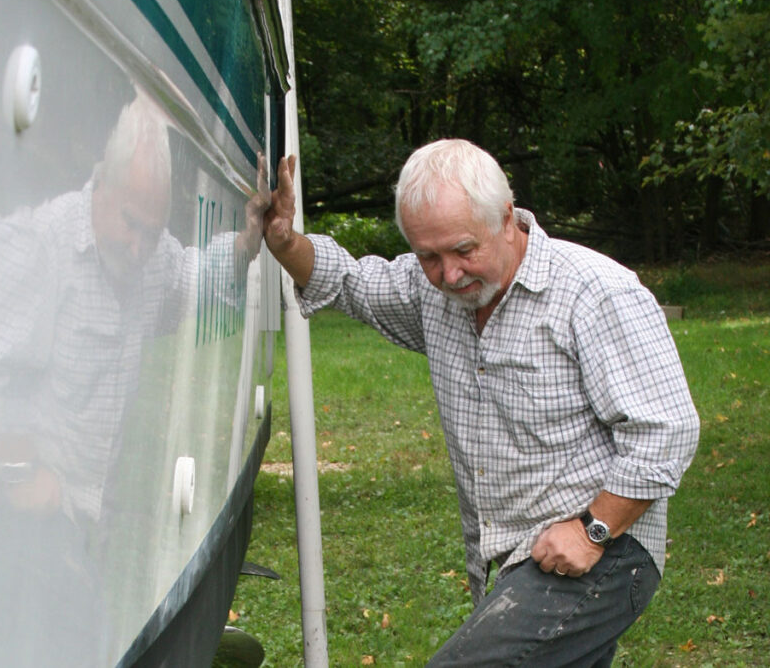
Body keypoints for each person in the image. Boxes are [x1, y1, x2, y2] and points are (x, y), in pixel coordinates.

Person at [263, 139, 699, 666]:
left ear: (507, 218)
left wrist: (592, 530)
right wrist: (286, 243)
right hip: (517, 559)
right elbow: (354, 283)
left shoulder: (594, 291)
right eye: (428, 256)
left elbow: (667, 429)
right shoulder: (437, 294)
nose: (449, 274)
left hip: (606, 552)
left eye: (464, 250)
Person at [0, 88, 264, 666]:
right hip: (25, 515)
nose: (140, 245)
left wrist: (246, 244)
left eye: (153, 229)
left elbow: (194, 283)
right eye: (130, 224)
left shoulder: (149, 256)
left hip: (83, 517)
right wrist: (23, 475)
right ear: (102, 185)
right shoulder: (32, 244)